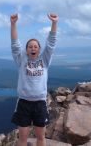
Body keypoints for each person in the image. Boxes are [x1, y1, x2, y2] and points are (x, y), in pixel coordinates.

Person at [10, 13, 58, 146]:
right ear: (26, 50)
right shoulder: (21, 60)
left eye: (35, 46)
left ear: (39, 49)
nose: (33, 48)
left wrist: (54, 23)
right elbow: (15, 45)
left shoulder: (45, 60)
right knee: (23, 138)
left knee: (41, 137)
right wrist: (13, 24)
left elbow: (51, 44)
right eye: (30, 46)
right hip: (24, 103)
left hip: (40, 103)